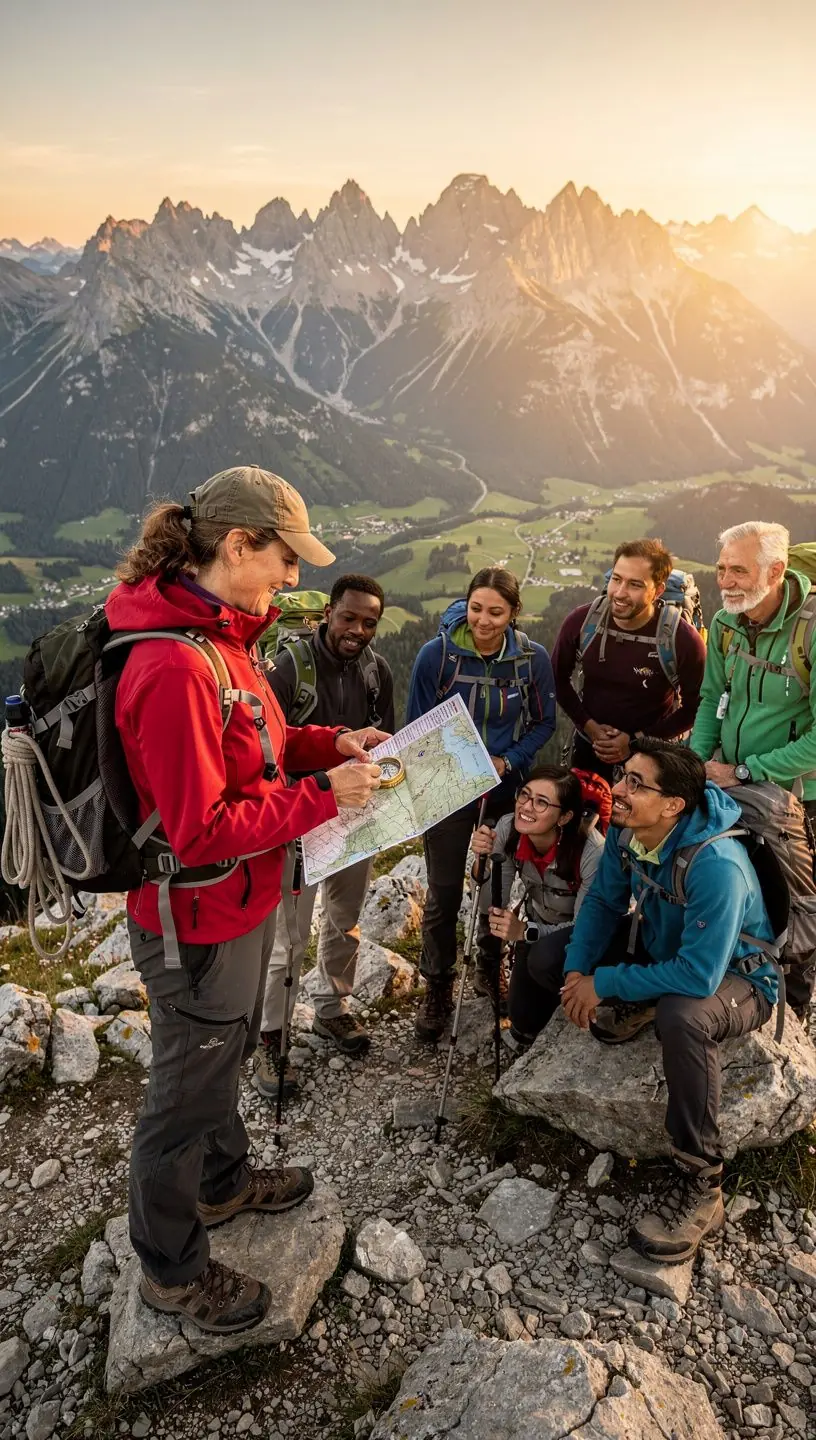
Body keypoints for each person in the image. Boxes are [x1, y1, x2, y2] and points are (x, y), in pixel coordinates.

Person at [108, 466, 385, 1335]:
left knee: (220, 1055)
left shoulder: (220, 640)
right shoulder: (174, 664)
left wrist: (328, 744)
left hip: (236, 904)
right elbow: (197, 831)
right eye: (283, 559)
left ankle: (224, 1188)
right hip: (195, 920)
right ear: (236, 545)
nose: (294, 580)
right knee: (183, 1097)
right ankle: (171, 1272)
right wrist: (325, 796)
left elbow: (257, 748)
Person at [521, 738, 776, 1264]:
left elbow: (700, 975)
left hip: (739, 979)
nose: (618, 790)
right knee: (547, 960)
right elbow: (602, 902)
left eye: (636, 783)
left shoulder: (716, 864)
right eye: (623, 776)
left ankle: (703, 1183)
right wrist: (576, 973)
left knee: (681, 1017)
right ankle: (638, 998)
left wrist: (607, 983)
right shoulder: (626, 831)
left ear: (673, 805)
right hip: (668, 950)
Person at [253, 574, 396, 1089]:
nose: (358, 630)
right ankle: (271, 1037)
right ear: (329, 613)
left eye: (369, 623)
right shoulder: (289, 667)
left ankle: (332, 1005)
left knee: (345, 918)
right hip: (299, 815)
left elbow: (383, 746)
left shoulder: (377, 673)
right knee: (287, 937)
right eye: (349, 618)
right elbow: (267, 752)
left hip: (354, 817)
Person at [406, 567, 556, 1040]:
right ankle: (437, 984)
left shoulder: (532, 660)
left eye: (496, 611)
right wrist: (455, 768)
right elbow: (416, 727)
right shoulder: (438, 656)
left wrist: (507, 761)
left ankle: (491, 969)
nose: (485, 621)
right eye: (476, 609)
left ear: (513, 613)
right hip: (450, 792)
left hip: (506, 790)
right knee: (445, 891)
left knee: (498, 889)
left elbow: (544, 722)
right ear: (465, 605)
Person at [691, 520, 816, 1016]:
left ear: (777, 570)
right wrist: (699, 763)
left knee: (799, 909)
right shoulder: (725, 624)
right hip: (731, 787)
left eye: (739, 570)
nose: (725, 581)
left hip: (800, 798)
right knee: (745, 893)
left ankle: (795, 1014)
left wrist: (746, 770)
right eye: (722, 569)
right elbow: (709, 698)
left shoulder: (810, 629)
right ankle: (744, 993)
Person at [470, 765, 607, 1051]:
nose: (526, 808)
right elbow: (491, 906)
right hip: (535, 928)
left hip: (583, 940)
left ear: (565, 817)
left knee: (542, 961)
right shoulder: (509, 830)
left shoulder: (592, 852)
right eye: (525, 796)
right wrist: (480, 863)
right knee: (523, 1020)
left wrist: (526, 932)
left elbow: (586, 929)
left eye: (542, 803)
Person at [552, 538, 706, 782]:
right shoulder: (582, 622)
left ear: (658, 590)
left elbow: (695, 707)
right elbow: (557, 679)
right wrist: (590, 727)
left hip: (652, 758)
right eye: (616, 579)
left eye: (635, 584)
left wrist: (636, 740)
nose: (620, 593)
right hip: (590, 747)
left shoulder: (682, 640)